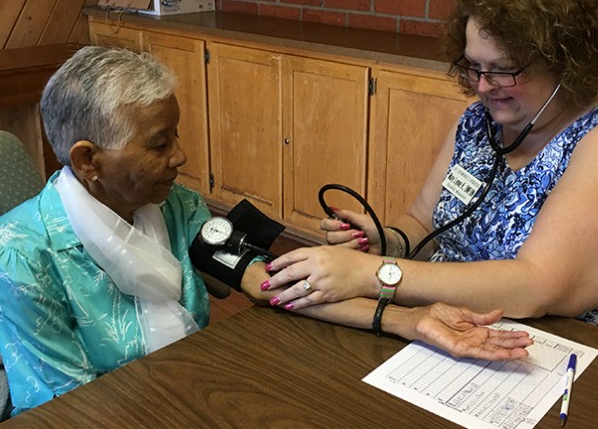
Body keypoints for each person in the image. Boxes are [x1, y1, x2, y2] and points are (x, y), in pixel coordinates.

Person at [0, 47, 532, 417]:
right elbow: (69, 408)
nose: (181, 156)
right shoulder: (20, 257)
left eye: (176, 135)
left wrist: (409, 321)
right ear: (88, 160)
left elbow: (272, 283)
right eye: (158, 144)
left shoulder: (178, 206)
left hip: (193, 388)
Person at [259, 0, 598, 344]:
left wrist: (375, 274)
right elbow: (423, 224)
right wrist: (384, 241)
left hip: (591, 358)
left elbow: (539, 284)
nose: (481, 86)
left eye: (501, 70)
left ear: (566, 61)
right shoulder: (487, 118)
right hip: (461, 330)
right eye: (474, 66)